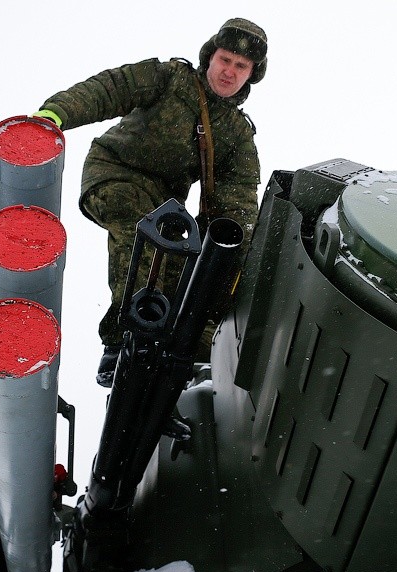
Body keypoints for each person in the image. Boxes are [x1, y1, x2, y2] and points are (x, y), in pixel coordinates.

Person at [34, 18, 267, 386]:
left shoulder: (236, 135)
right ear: (210, 57)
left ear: (251, 75)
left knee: (178, 267)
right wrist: (56, 114)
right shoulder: (170, 79)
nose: (229, 71)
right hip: (114, 172)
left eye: (241, 66)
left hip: (164, 205)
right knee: (144, 239)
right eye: (225, 59)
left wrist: (234, 265)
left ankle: (165, 357)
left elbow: (238, 209)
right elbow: (110, 89)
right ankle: (120, 342)